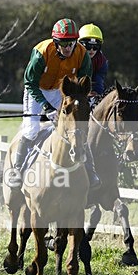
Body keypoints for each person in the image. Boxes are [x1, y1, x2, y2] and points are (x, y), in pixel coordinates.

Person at [10, 18, 100, 189]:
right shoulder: (41, 52)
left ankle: (90, 170)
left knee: (76, 129)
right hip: (37, 90)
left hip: (62, 92)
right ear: (56, 42)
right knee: (31, 130)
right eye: (63, 44)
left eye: (71, 43)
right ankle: (17, 170)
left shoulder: (82, 55)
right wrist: (45, 106)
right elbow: (29, 84)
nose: (68, 48)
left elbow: (81, 86)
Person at [78, 23, 108, 100]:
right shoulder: (71, 57)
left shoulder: (101, 62)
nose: (91, 50)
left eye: (95, 47)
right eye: (88, 46)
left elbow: (98, 81)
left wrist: (96, 92)